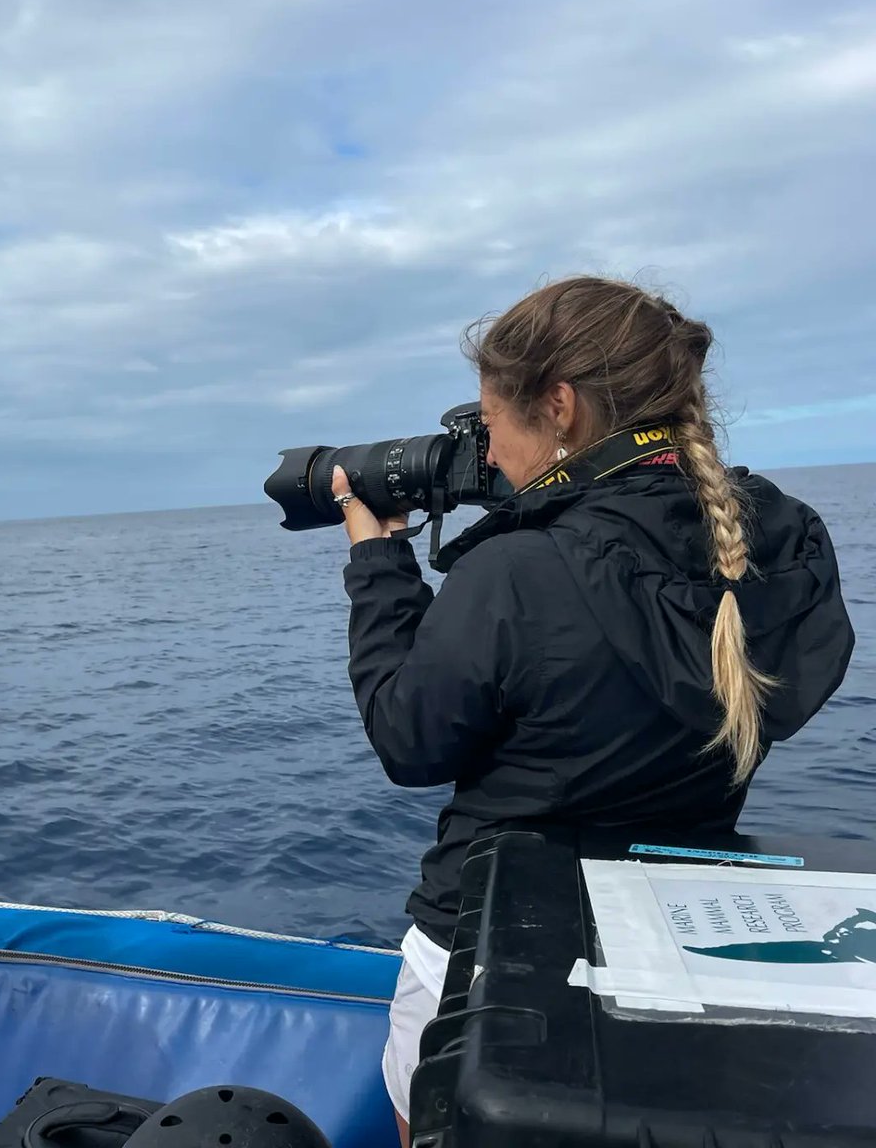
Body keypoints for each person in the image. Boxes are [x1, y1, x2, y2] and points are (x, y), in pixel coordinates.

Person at [329, 277, 855, 1145]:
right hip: (669, 941)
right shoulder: (781, 541)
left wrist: (379, 565)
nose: (487, 457)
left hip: (482, 945)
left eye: (492, 426)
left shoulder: (515, 574)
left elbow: (408, 739)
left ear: (560, 406)